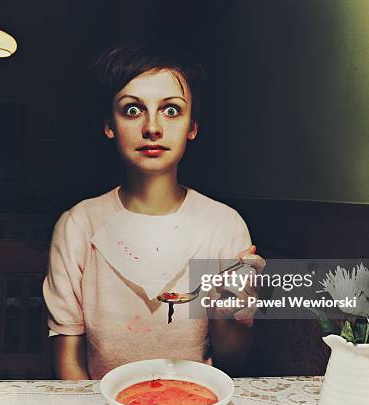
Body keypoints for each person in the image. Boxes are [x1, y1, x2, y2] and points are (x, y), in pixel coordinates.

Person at [42, 40, 265, 380]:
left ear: (192, 126)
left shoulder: (224, 225)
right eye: (132, 110)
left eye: (171, 110)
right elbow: (68, 362)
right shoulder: (78, 225)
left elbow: (234, 362)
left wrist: (225, 309)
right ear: (109, 125)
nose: (152, 128)